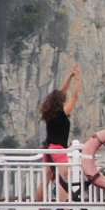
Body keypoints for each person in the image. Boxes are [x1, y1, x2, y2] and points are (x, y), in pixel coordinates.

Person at [36, 66, 80, 202]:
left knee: (46, 179)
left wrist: (69, 76)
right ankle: (63, 208)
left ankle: (38, 207)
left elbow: (62, 93)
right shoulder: (62, 113)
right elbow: (74, 96)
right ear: (60, 101)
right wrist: (77, 78)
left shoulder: (49, 112)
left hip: (48, 149)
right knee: (63, 179)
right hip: (58, 150)